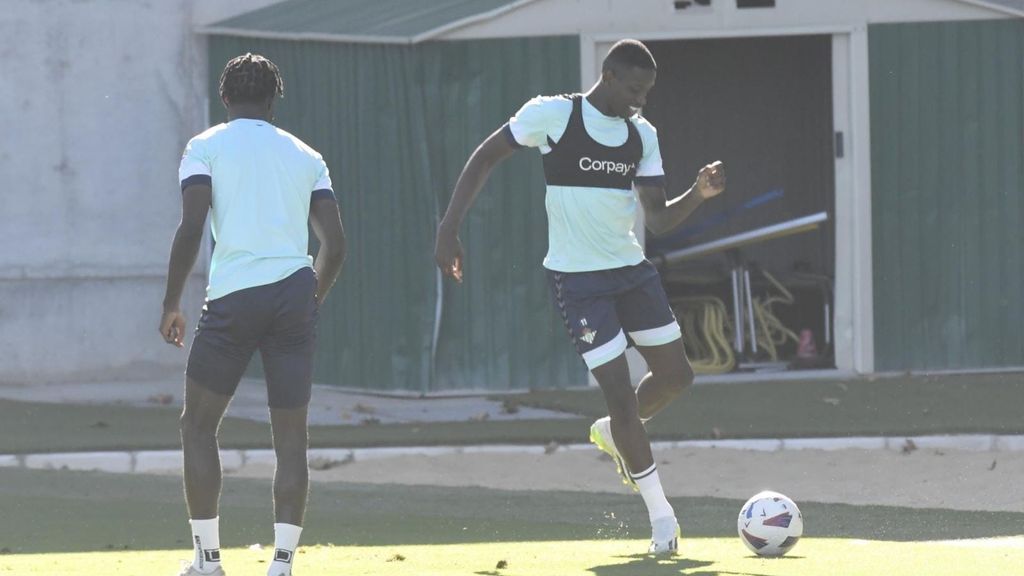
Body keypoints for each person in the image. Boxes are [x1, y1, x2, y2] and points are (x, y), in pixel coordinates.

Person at [434, 39, 725, 555]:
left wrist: (698, 196)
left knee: (678, 377)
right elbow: (485, 157)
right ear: (609, 76)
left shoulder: (642, 135)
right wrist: (448, 228)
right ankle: (662, 518)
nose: (642, 99)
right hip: (579, 282)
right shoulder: (553, 114)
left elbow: (656, 218)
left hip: (632, 273)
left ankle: (617, 433)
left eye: (648, 91)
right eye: (635, 89)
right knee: (620, 398)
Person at [160, 52, 346, 576]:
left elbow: (192, 226)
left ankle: (208, 561)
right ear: (273, 100)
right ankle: (282, 564)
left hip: (234, 298)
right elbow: (334, 243)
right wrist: (312, 297)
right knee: (290, 438)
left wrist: (172, 302)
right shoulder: (307, 155)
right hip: (292, 296)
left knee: (198, 427)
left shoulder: (205, 146)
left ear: (224, 99)